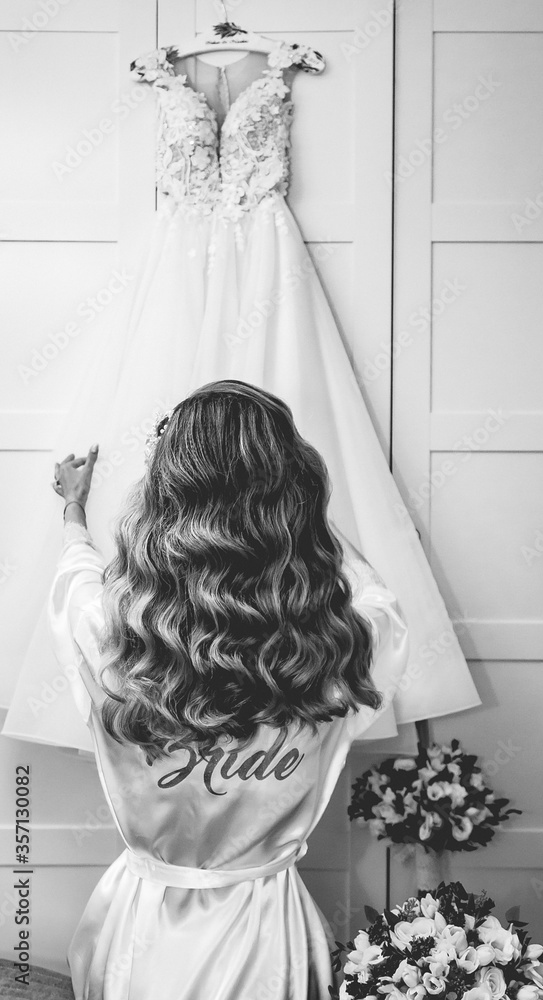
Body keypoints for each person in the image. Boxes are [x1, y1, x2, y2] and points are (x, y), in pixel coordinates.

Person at [49, 378, 410, 1000]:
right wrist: (298, 514)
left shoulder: (109, 629)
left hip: (143, 928)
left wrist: (74, 510)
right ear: (293, 492)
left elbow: (75, 578)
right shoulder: (338, 641)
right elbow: (380, 599)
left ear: (165, 491)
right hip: (268, 934)